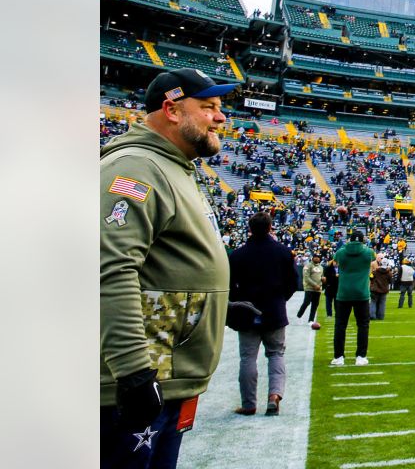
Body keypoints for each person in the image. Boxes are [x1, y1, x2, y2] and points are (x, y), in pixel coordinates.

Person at [100, 68, 237, 468]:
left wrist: (219, 309)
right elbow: (110, 267)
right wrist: (132, 372)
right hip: (139, 379)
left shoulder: (174, 167)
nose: (221, 117)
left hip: (164, 372)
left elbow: (164, 268)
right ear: (172, 110)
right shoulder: (137, 168)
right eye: (208, 107)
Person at [228, 212, 297, 416]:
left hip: (247, 311)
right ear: (270, 227)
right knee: (276, 354)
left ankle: (249, 403)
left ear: (250, 228)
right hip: (274, 309)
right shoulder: (283, 252)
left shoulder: (238, 254)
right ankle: (274, 396)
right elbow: (293, 282)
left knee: (247, 357)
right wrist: (280, 298)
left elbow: (230, 285)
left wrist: (239, 301)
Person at [332, 232, 376, 367]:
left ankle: (339, 357)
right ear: (363, 240)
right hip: (361, 293)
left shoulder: (340, 252)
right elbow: (374, 265)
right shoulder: (368, 252)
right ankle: (360, 356)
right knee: (363, 325)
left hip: (343, 293)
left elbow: (334, 263)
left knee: (340, 325)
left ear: (349, 240)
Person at [297, 252, 324, 326]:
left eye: (318, 257)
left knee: (315, 305)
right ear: (312, 258)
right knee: (306, 302)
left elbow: (322, 276)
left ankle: (311, 320)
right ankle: (299, 314)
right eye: (315, 257)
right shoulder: (308, 266)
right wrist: (314, 285)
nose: (317, 258)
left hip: (318, 289)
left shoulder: (321, 267)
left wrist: (323, 279)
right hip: (309, 288)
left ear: (320, 259)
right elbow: (306, 277)